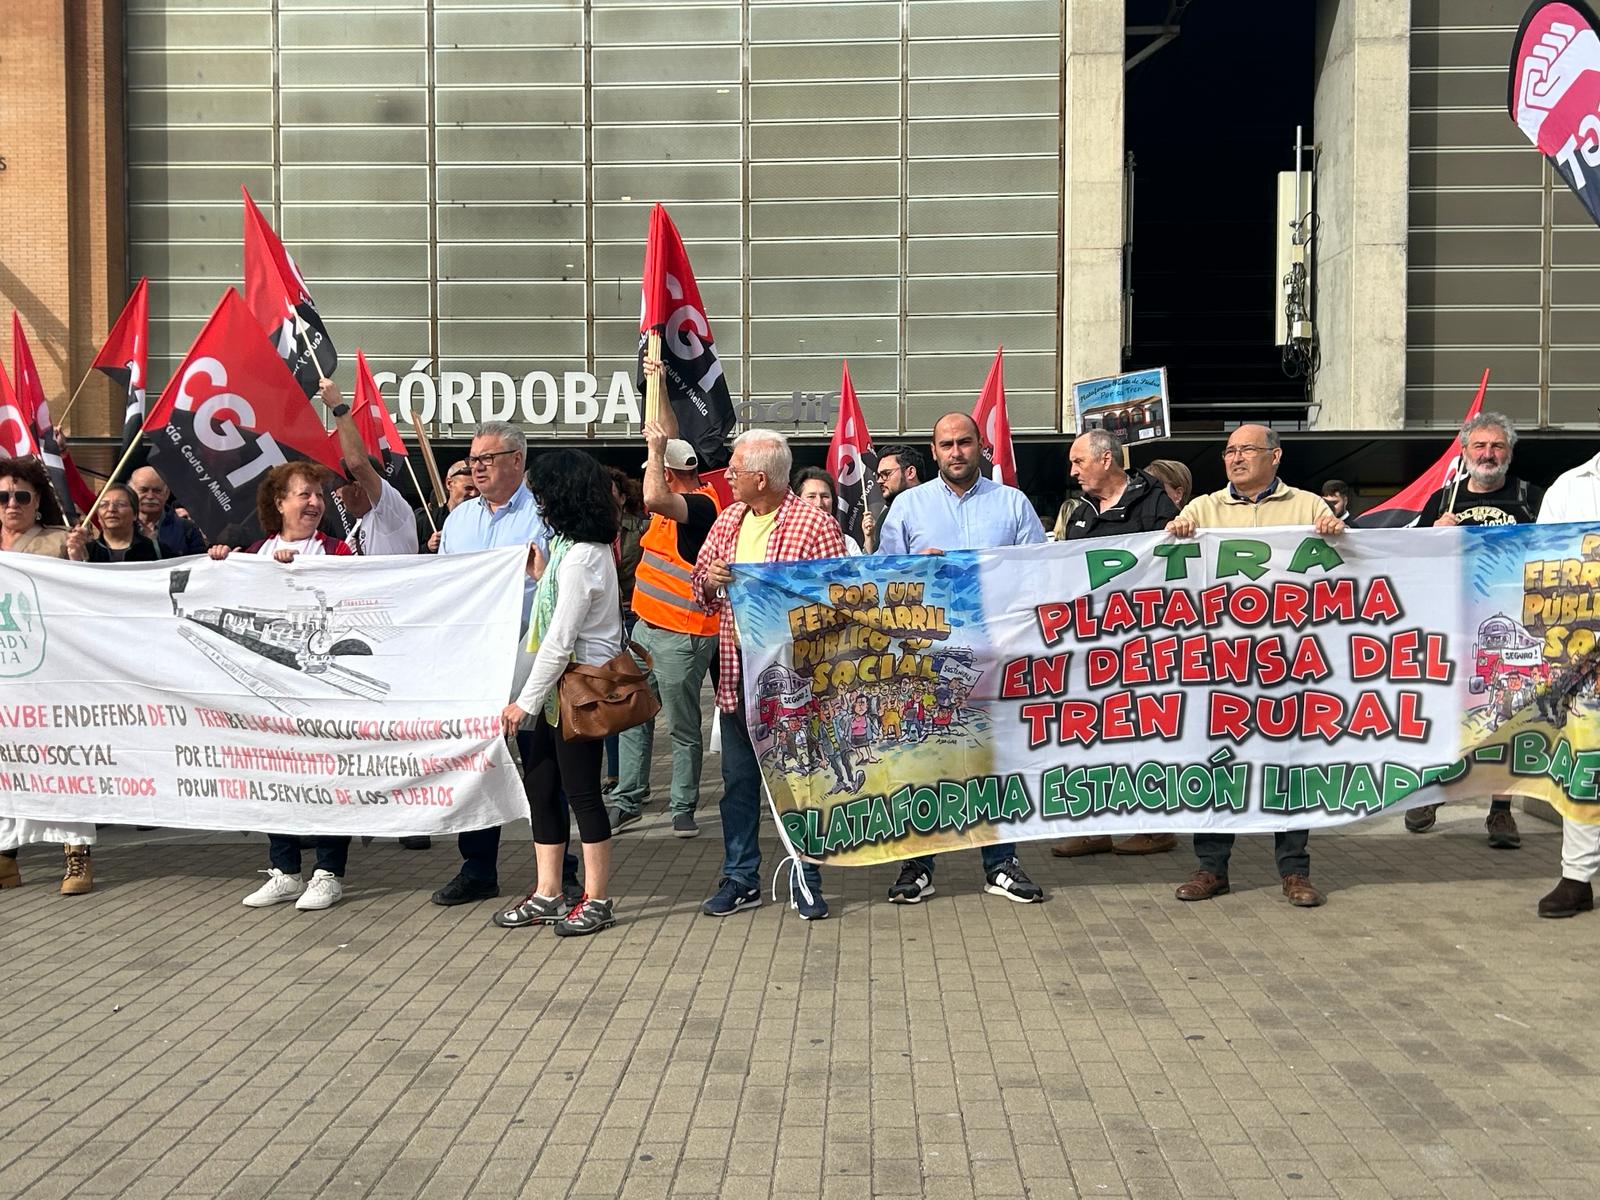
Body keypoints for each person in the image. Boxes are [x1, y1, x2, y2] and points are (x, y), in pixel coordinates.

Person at [1166, 424, 1346, 908]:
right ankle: (1211, 868)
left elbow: (1350, 567)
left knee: (1289, 767)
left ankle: (1294, 871)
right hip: (1219, 666)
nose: (1236, 457)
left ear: (1275, 456)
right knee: (1218, 764)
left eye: (1246, 449)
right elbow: (1164, 563)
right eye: (1229, 451)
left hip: (1288, 664)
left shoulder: (1308, 505)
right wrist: (1178, 531)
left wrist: (1338, 532)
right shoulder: (1203, 508)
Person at [875, 413, 1048, 905]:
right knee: (922, 761)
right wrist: (913, 567)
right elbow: (882, 579)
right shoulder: (908, 506)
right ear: (933, 452)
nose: (956, 452)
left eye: (965, 442)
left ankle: (1001, 864)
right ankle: (918, 865)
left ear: (981, 446)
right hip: (925, 659)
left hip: (996, 653)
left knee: (996, 761)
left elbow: (1041, 574)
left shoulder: (1012, 503)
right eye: (946, 443)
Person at [693, 429, 845, 920]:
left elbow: (838, 595)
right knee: (738, 782)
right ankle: (741, 877)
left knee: (801, 781)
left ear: (760, 477)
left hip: (794, 680)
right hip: (737, 675)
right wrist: (712, 581)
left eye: (734, 469)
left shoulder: (814, 525)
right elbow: (699, 582)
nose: (728, 476)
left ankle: (807, 875)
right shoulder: (729, 519)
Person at [434, 421, 579, 907]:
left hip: (529, 653)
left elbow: (558, 582)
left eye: (487, 459)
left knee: (541, 764)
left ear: (517, 460)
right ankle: (478, 867)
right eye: (473, 460)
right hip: (472, 658)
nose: (476, 467)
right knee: (476, 763)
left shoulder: (544, 516)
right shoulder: (458, 520)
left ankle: (560, 866)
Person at [208, 462, 354, 910]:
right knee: (275, 774)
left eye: (318, 496)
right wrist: (219, 564)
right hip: (269, 692)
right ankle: (286, 869)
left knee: (330, 776)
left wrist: (301, 575)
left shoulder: (338, 552)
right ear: (279, 503)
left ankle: (328, 872)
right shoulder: (252, 553)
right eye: (303, 495)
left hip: (322, 692)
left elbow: (351, 604)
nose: (314, 503)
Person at [490, 450, 624, 937]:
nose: (538, 502)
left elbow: (561, 640)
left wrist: (524, 701)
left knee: (583, 794)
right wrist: (541, 576)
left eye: (542, 493)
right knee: (543, 787)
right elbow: (562, 614)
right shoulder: (568, 548)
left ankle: (597, 897)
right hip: (555, 692)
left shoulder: (585, 554)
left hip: (576, 691)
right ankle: (548, 892)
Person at [1406, 412, 1543, 848]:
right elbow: (1411, 559)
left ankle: (1500, 811)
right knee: (1445, 715)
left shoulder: (1532, 498)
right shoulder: (1443, 499)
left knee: (1507, 714)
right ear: (1464, 452)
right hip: (1453, 624)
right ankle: (1434, 792)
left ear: (1509, 452)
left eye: (1497, 446)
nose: (1488, 454)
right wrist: (1432, 534)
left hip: (1514, 626)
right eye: (1480, 446)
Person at [1051, 430, 1180, 859]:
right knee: (1090, 735)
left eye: (1078, 461)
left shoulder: (1155, 501)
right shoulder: (1080, 513)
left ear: (1106, 459)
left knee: (1146, 734)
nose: (1073, 471)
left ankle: (1154, 827)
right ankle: (1094, 829)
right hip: (1092, 643)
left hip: (1145, 642)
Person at [610, 423, 722, 838]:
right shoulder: (669, 510)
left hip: (684, 634)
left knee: (681, 725)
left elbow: (654, 494)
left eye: (653, 470)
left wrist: (655, 451)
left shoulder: (700, 507)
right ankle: (628, 798)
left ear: (668, 474)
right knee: (631, 717)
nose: (645, 483)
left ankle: (683, 805)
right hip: (645, 630)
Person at [0, 457, 95, 893]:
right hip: (4, 679)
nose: (12, 503)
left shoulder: (58, 542)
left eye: (21, 496)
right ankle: (6, 860)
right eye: (3, 497)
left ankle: (77, 855)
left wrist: (78, 558)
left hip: (50, 674)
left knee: (63, 762)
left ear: (38, 500)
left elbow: (84, 599)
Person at [1534, 449, 1600, 917]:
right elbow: (1542, 562)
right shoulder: (1570, 486)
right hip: (1585, 653)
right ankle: (1577, 878)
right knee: (1585, 767)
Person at [602, 465, 648, 794]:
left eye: (611, 489)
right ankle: (615, 772)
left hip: (633, 615)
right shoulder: (589, 530)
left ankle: (632, 778)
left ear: (621, 494)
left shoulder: (641, 528)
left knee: (631, 696)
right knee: (609, 696)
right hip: (605, 621)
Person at [129, 466, 206, 556]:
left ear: (167, 494)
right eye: (143, 490)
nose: (150, 496)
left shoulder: (187, 529)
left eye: (157, 491)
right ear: (131, 492)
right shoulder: (117, 526)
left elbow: (199, 563)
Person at [861, 444, 925, 551]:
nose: (879, 481)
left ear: (910, 472)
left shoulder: (936, 506)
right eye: (878, 476)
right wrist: (869, 539)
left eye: (886, 474)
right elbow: (880, 563)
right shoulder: (886, 514)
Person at [793, 466, 864, 555]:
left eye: (825, 496)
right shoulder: (787, 539)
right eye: (811, 496)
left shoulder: (847, 543)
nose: (819, 503)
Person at [84, 482, 161, 562]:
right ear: (98, 516)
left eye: (120, 504)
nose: (111, 509)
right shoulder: (86, 553)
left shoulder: (157, 551)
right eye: (104, 505)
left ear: (135, 514)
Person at [416, 460, 478, 554]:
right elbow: (406, 557)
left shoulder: (486, 518)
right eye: (468, 488)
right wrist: (428, 547)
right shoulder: (426, 519)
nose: (474, 494)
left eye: (478, 489)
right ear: (449, 484)